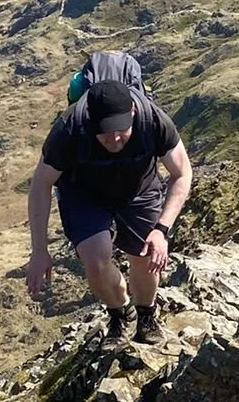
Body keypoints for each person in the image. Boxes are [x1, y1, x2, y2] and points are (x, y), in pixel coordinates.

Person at [25, 75, 192, 345]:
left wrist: (162, 230)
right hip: (84, 193)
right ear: (90, 120)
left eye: (121, 128)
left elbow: (182, 173)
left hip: (138, 188)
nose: (114, 138)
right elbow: (41, 185)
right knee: (95, 258)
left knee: (144, 256)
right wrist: (39, 250)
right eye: (104, 130)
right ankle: (119, 312)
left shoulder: (152, 120)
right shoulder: (69, 128)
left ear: (133, 112)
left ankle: (146, 314)